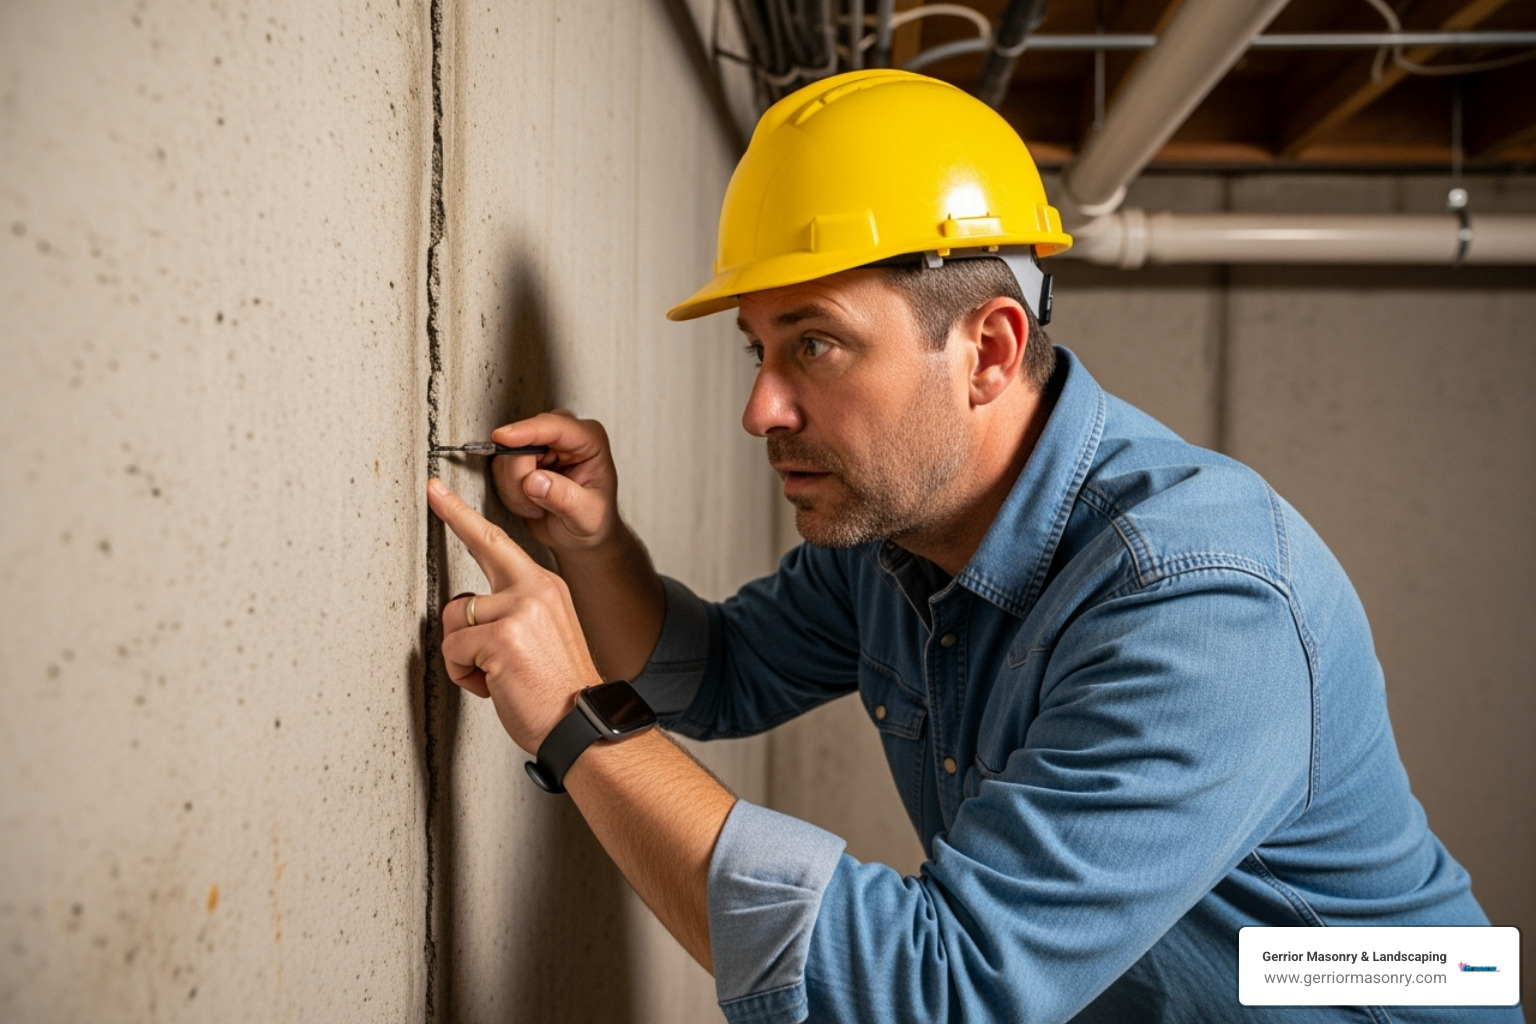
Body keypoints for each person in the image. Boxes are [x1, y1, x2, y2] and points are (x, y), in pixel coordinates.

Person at [424, 70, 1514, 1024]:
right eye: (757, 348)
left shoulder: (1202, 601)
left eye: (815, 343)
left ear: (988, 348)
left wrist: (580, 722)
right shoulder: (899, 529)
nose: (760, 408)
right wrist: (598, 546)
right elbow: (713, 677)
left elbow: (937, 992)